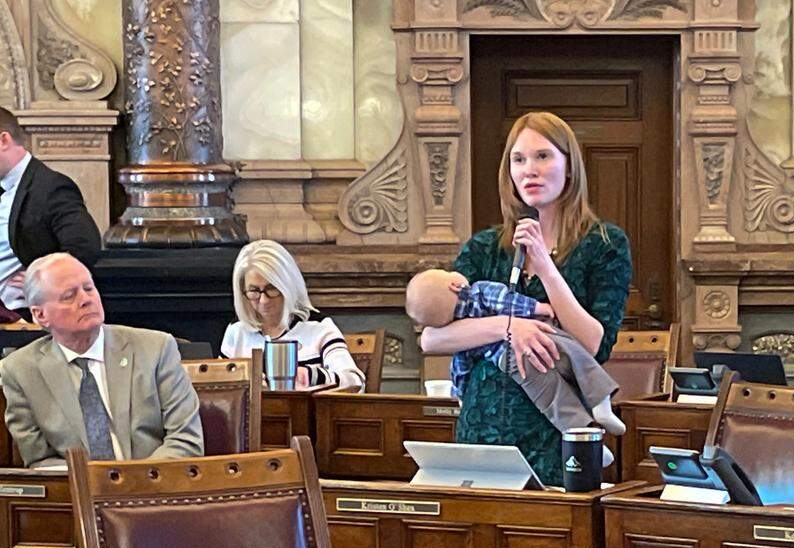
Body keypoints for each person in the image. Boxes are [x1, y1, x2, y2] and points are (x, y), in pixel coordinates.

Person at [420, 111, 632, 485]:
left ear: (570, 167)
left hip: (555, 435)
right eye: (518, 160)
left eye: (543, 156)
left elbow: (593, 344)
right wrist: (508, 327)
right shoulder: (484, 247)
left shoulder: (604, 244)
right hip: (482, 426)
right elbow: (433, 338)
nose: (529, 170)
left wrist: (546, 268)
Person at [0, 253, 203, 468]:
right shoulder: (20, 371)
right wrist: (92, 485)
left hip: (154, 490)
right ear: (40, 315)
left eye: (88, 289)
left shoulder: (156, 349)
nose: (86, 300)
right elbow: (40, 460)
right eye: (69, 296)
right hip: (77, 495)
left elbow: (186, 441)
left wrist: (130, 484)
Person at [405, 268, 625, 434]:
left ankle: (579, 433)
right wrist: (538, 309)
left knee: (551, 396)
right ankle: (600, 403)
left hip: (509, 361)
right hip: (539, 337)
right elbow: (508, 301)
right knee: (574, 356)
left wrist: (460, 396)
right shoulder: (478, 290)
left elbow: (459, 373)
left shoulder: (462, 343)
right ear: (454, 284)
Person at [221, 240, 364, 392]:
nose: (263, 300)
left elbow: (355, 382)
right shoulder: (237, 332)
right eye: (254, 291)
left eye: (272, 289)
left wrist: (310, 375)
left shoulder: (318, 327)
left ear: (287, 286)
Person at [0, 108, 101, 320]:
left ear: (3, 140)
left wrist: (39, 279)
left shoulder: (51, 187)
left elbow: (84, 247)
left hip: (23, 317)